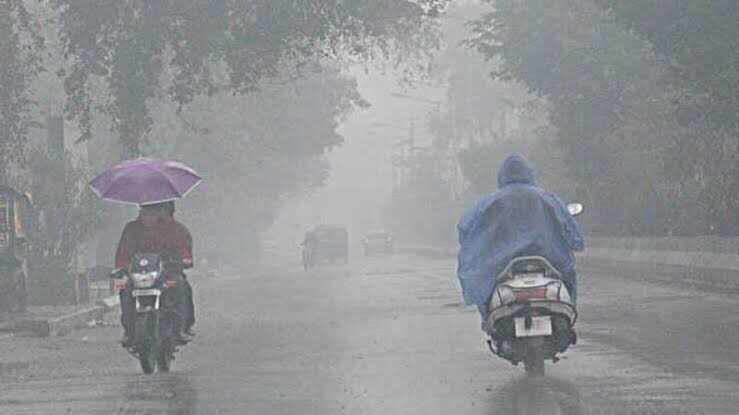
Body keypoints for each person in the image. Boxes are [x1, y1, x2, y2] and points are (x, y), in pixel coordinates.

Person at [456, 155, 584, 333]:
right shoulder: (548, 199)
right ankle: (568, 318)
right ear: (529, 173)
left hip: (501, 266)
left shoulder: (489, 202)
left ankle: (488, 322)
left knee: (484, 284)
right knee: (569, 275)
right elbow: (573, 232)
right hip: (550, 261)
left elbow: (466, 228)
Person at [115, 201, 195, 346]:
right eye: (145, 211)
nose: (149, 216)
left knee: (181, 286)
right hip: (139, 275)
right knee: (125, 290)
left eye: (154, 211)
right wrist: (120, 267)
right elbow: (123, 252)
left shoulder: (176, 229)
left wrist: (185, 259)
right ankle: (129, 330)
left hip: (168, 274)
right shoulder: (131, 229)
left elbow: (184, 248)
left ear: (163, 211)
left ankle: (182, 328)